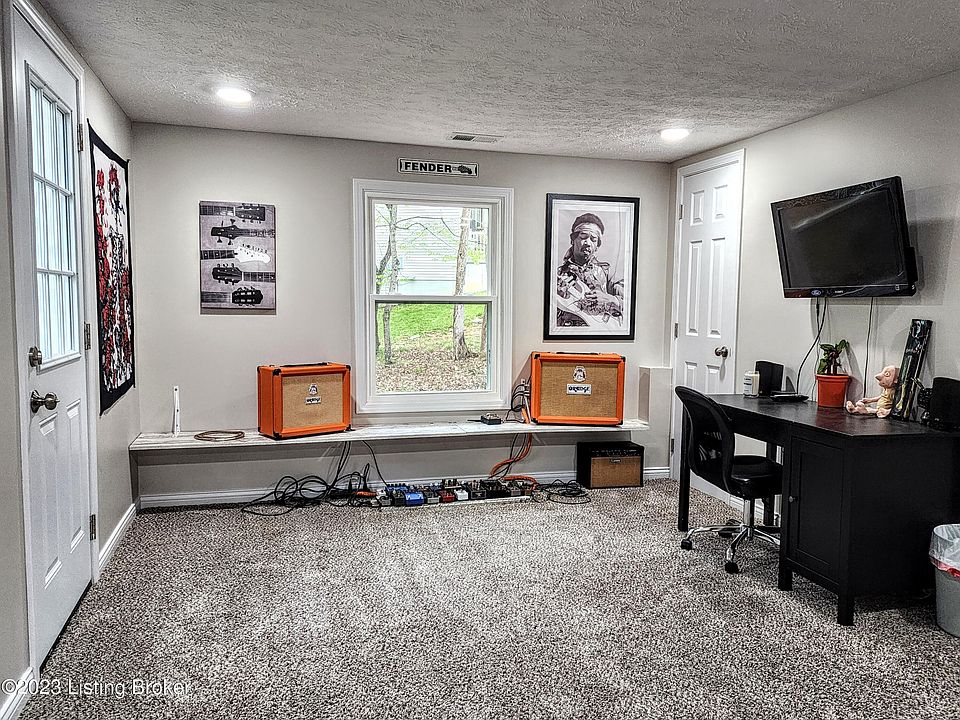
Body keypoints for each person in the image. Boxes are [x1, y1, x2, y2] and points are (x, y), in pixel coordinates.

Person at [556, 213, 623, 327]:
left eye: (593, 239)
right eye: (583, 237)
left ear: (597, 246)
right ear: (572, 240)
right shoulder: (557, 274)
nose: (588, 243)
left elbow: (633, 304)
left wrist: (611, 300)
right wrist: (556, 298)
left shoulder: (608, 273)